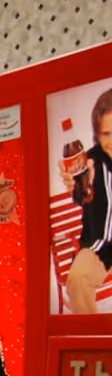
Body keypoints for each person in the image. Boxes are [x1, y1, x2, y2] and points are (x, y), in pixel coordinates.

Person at [62, 88, 112, 314]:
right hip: (101, 245)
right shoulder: (91, 161)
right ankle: (91, 334)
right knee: (77, 280)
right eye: (107, 133)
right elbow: (81, 194)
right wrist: (78, 186)